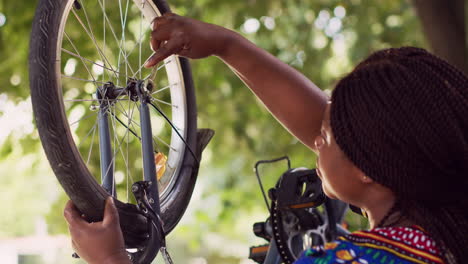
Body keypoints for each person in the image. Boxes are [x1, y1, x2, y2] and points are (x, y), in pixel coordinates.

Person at [64, 13, 468, 264]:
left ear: (367, 167)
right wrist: (226, 44)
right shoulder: (447, 233)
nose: (315, 138)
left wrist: (111, 260)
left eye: (324, 135)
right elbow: (338, 131)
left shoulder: (346, 260)